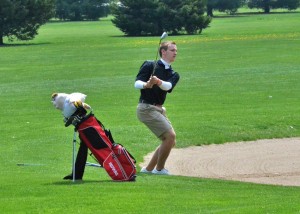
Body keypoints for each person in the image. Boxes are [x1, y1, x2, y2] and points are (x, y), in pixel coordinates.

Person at [134, 41, 180, 175]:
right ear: (163, 52)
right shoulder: (150, 65)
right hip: (146, 108)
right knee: (170, 136)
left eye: (176, 51)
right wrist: (146, 85)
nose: (175, 53)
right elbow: (137, 83)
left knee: (170, 141)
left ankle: (148, 170)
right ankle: (159, 169)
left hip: (158, 109)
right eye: (172, 50)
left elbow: (168, 87)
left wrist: (158, 82)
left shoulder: (173, 73)